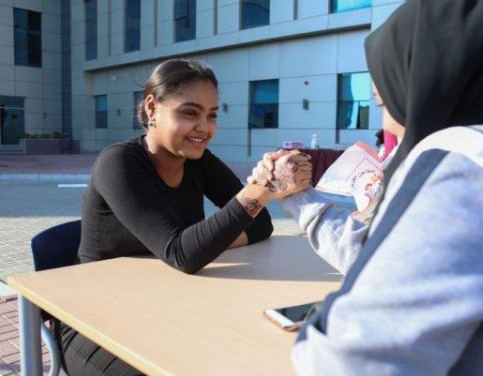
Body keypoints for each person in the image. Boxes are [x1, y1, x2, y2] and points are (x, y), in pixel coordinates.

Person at [251, 0, 483, 375]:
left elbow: (346, 362)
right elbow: (384, 257)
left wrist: (332, 315)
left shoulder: (466, 168)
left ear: (427, 87)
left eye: (386, 104)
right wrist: (299, 200)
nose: (384, 126)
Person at [54, 59, 312, 376]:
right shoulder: (118, 164)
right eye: (190, 113)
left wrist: (204, 243)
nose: (204, 127)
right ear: (152, 108)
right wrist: (259, 189)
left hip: (166, 304)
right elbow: (182, 253)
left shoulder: (198, 162)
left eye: (212, 115)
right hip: (94, 322)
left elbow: (259, 225)